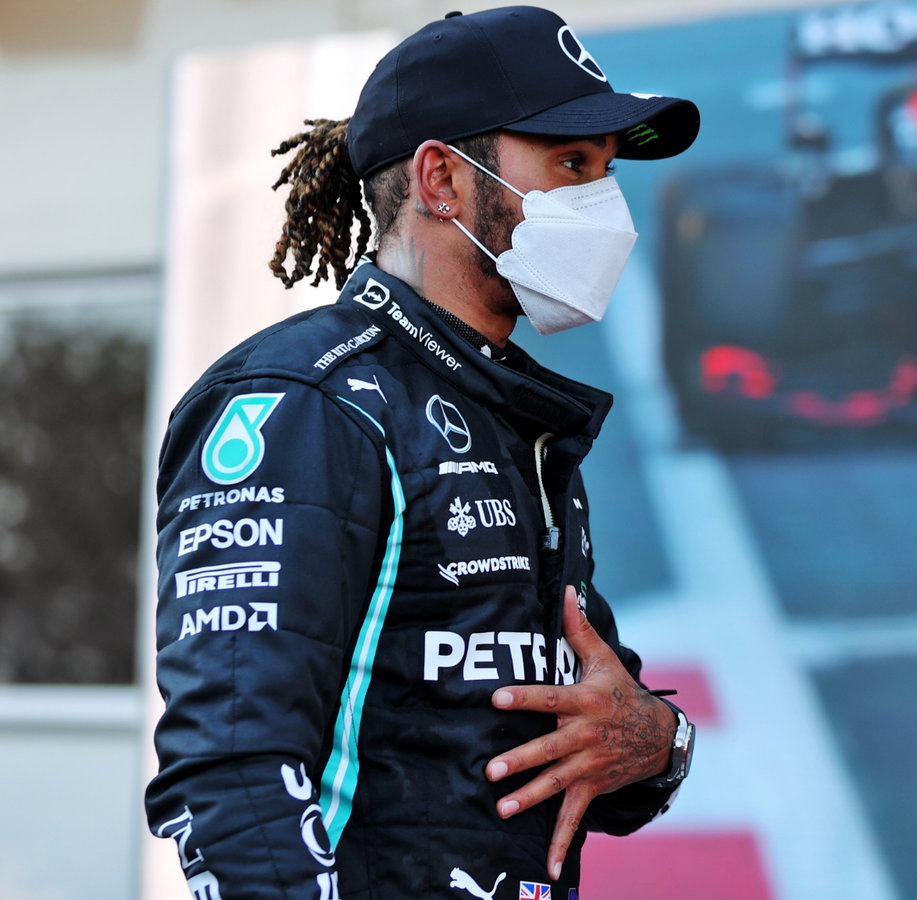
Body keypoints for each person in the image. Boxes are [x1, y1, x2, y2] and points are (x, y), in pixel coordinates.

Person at [145, 8, 700, 897]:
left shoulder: (513, 417)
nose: (604, 204)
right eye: (571, 165)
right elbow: (233, 771)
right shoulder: (306, 402)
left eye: (606, 171)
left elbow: (592, 726)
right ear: (441, 179)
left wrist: (661, 743)